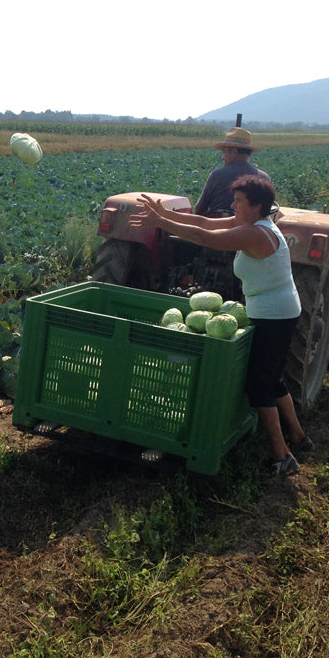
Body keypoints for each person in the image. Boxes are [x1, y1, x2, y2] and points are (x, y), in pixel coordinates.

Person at [129, 175, 312, 476]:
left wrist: (161, 223)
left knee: (258, 384)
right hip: (275, 311)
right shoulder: (254, 226)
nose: (232, 205)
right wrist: (163, 215)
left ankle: (282, 456)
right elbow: (205, 224)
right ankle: (299, 437)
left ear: (256, 206)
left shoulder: (256, 234)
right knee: (272, 377)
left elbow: (205, 239)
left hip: (274, 315)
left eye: (238, 200)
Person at [194, 126, 271, 216]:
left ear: (234, 152)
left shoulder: (217, 175)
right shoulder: (264, 177)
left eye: (224, 152)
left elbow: (200, 209)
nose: (223, 157)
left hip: (218, 227)